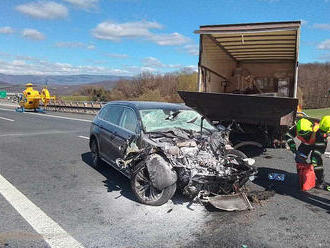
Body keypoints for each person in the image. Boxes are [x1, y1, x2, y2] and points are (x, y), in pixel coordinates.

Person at [285, 116, 329, 191]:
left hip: (317, 144)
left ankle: (320, 181)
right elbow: (288, 136)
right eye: (302, 135)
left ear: (311, 129)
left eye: (306, 135)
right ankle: (302, 178)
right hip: (306, 144)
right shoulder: (297, 128)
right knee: (299, 159)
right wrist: (293, 147)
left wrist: (315, 159)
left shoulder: (319, 132)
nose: (304, 136)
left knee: (316, 161)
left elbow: (319, 149)